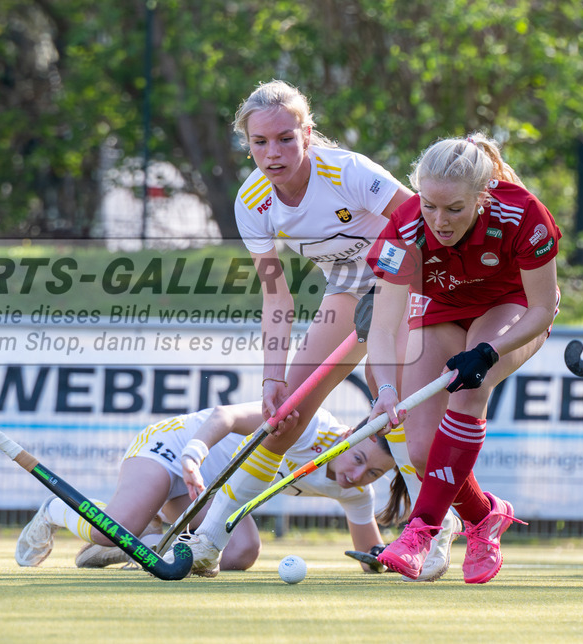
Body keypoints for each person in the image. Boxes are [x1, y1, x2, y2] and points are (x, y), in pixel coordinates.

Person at [163, 81, 466, 578]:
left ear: (307, 133)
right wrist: (271, 378)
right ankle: (210, 541)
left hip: (410, 276)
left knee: (390, 395)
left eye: (285, 138)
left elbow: (424, 220)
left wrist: (399, 291)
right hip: (347, 288)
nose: (273, 153)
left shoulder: (348, 172)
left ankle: (433, 529)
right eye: (260, 143)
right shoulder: (253, 201)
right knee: (285, 414)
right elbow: (275, 295)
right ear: (248, 144)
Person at [365, 133, 560, 584]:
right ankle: (485, 516)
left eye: (454, 208)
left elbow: (542, 308)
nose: (439, 220)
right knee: (419, 450)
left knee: (472, 387)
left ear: (482, 196)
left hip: (511, 306)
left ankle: (421, 531)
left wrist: (488, 352)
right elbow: (382, 326)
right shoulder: (405, 228)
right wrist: (387, 391)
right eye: (430, 205)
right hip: (440, 309)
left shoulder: (523, 215)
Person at [15, 403, 406, 574]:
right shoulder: (311, 421)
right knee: (107, 531)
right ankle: (54, 510)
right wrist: (194, 454)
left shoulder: (354, 490)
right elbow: (226, 415)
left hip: (206, 490)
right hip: (175, 449)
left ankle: (153, 538)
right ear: (351, 435)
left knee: (241, 552)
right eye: (358, 460)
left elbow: (369, 552)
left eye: (373, 474)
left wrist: (379, 559)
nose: (358, 477)